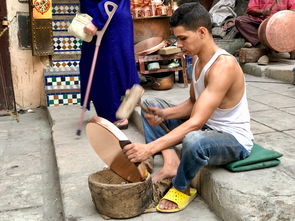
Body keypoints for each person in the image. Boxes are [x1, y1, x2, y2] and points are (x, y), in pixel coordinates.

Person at [123, 2, 254, 212]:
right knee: (150, 104)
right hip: (205, 128)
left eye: (183, 38)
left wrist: (149, 148)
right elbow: (193, 103)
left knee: (193, 140)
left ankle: (181, 187)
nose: (179, 44)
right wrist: (165, 114)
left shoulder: (224, 66)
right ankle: (171, 161)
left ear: (202, 32)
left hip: (232, 139)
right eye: (177, 38)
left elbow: (196, 122)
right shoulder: (196, 58)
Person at [79, 0, 139, 129]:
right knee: (97, 67)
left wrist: (97, 20)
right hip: (98, 19)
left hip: (109, 21)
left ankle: (116, 116)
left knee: (110, 67)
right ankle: (109, 113)